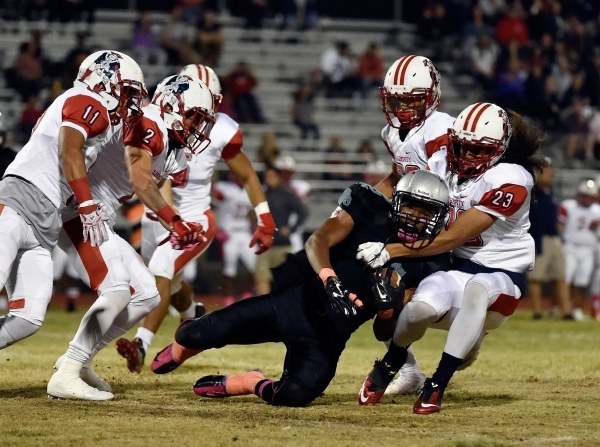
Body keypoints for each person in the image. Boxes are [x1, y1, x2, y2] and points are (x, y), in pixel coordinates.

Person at [149, 170, 451, 409]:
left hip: (326, 339)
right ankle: (187, 342)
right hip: (292, 305)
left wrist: (387, 310)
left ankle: (248, 381)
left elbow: (383, 333)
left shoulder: (429, 263)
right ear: (397, 201)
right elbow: (316, 241)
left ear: (439, 217)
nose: (416, 217)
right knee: (189, 335)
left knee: (294, 395)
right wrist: (329, 279)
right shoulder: (368, 208)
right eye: (412, 207)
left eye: (426, 212)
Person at [356, 103, 544, 414]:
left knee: (478, 290)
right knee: (417, 309)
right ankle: (392, 364)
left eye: (477, 149)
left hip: (503, 276)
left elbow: (454, 236)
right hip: (456, 269)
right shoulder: (441, 162)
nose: (466, 155)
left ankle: (438, 382)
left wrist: (392, 250)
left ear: (498, 149)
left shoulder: (511, 177)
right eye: (461, 146)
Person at [47, 73, 215, 400]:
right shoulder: (149, 122)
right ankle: (67, 372)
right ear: (171, 105)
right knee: (118, 288)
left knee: (148, 295)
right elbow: (140, 180)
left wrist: (174, 222)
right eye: (195, 116)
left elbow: (151, 180)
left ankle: (77, 362)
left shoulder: (168, 140)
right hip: (76, 210)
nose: (198, 128)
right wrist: (175, 221)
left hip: (96, 217)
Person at [116, 64, 276, 373]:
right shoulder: (155, 120)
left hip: (194, 220)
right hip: (158, 214)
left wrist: (264, 218)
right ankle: (195, 314)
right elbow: (158, 178)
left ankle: (141, 344)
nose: (200, 118)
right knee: (172, 284)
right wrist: (167, 216)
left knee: (159, 274)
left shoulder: (220, 130)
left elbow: (247, 175)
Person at [0, 50, 145, 360]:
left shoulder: (95, 115)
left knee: (27, 319)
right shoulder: (85, 99)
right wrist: (88, 204)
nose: (128, 101)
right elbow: (69, 152)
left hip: (45, 221)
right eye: (126, 90)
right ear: (106, 81)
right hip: (18, 202)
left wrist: (99, 201)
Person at [376, 55, 455, 199]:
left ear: (431, 96)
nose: (402, 107)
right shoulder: (390, 131)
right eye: (397, 99)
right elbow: (397, 178)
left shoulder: (441, 129)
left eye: (409, 100)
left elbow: (441, 192)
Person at [527, 157, 573, 320]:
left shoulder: (550, 193)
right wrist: (534, 242)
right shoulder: (533, 193)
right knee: (536, 278)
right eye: (546, 170)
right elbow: (532, 220)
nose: (550, 173)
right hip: (540, 238)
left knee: (560, 276)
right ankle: (537, 311)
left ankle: (567, 311)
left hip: (554, 239)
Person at [252, 165, 307, 295]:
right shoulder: (262, 195)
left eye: (271, 176)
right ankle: (266, 310)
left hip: (282, 244)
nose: (268, 179)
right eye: (267, 177)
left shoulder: (286, 195)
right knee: (261, 278)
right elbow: (254, 213)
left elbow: (303, 212)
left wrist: (291, 229)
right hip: (264, 245)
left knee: (285, 282)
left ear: (278, 178)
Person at [558, 179, 600, 321]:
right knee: (565, 279)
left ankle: (577, 309)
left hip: (588, 250)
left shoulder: (597, 210)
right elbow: (559, 225)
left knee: (581, 282)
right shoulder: (569, 206)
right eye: (584, 195)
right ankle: (563, 308)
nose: (586, 198)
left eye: (589, 196)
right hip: (570, 247)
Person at [212, 173, 257, 306]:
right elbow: (212, 206)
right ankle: (228, 295)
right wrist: (216, 228)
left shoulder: (249, 190)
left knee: (255, 265)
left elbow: (250, 213)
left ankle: (248, 292)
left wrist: (255, 227)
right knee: (229, 268)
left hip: (244, 232)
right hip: (228, 232)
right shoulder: (224, 188)